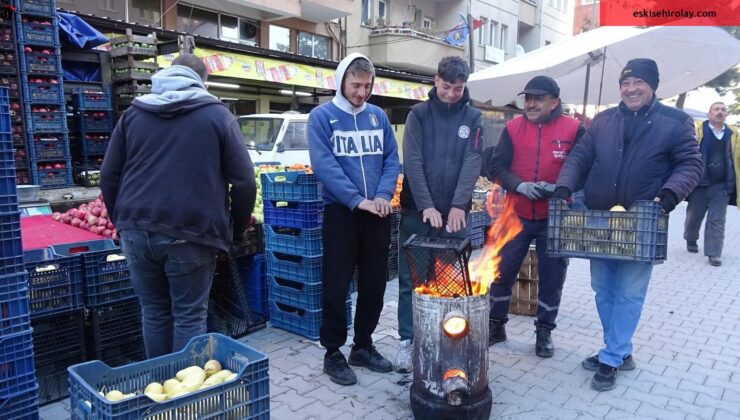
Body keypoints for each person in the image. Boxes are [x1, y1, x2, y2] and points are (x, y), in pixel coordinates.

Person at [553, 58, 703, 391]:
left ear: (652, 85)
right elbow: (580, 157)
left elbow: (691, 164)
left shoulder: (675, 122)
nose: (631, 89)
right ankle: (620, 350)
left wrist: (668, 195)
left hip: (642, 222)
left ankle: (611, 357)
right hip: (599, 221)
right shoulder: (603, 121)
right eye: (625, 83)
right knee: (603, 289)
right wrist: (565, 184)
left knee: (629, 293)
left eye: (638, 83)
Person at [100, 54, 256, 358]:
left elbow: (108, 175)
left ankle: (159, 388)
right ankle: (182, 399)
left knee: (155, 312)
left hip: (136, 228)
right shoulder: (217, 115)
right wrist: (235, 230)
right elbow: (245, 182)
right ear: (203, 81)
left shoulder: (134, 114)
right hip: (191, 232)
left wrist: (121, 220)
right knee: (188, 315)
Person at [308, 53, 400, 386]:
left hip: (376, 212)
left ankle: (363, 345)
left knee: (375, 283)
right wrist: (356, 200)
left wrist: (381, 196)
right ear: (341, 81)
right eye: (356, 84)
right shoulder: (322, 117)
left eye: (367, 85)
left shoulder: (378, 117)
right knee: (336, 283)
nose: (362, 92)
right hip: (341, 213)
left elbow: (392, 160)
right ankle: (333, 352)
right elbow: (324, 165)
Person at [395, 56, 483, 373]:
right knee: (412, 281)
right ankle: (407, 340)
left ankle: (448, 340)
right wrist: (426, 205)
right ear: (436, 81)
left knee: (451, 283)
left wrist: (459, 205)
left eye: (457, 89)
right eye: (446, 87)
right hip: (418, 212)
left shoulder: (473, 117)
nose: (450, 94)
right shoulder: (418, 114)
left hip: (454, 217)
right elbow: (413, 162)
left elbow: (473, 161)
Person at [487, 76, 585, 357]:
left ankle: (544, 332)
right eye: (527, 98)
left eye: (538, 98)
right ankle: (496, 325)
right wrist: (519, 185)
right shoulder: (512, 128)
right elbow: (497, 166)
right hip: (516, 213)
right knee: (502, 272)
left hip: (555, 215)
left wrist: (561, 189)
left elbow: (584, 168)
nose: (530, 103)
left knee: (552, 277)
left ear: (554, 102)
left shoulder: (574, 129)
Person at [683, 102, 739, 266]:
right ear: (709, 114)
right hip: (699, 182)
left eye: (723, 109)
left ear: (726, 114)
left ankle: (714, 253)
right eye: (716, 109)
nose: (720, 112)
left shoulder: (733, 134)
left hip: (721, 184)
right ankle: (691, 238)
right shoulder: (698, 131)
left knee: (717, 219)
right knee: (694, 215)